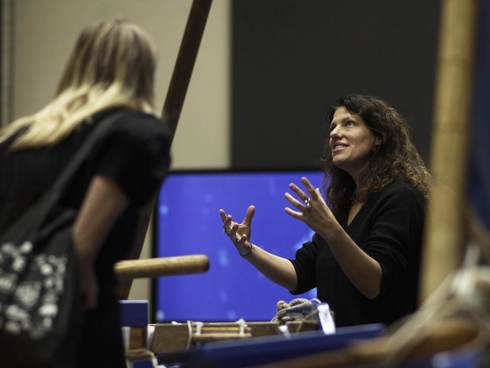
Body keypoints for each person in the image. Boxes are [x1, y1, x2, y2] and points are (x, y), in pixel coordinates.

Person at [0, 20, 170, 366]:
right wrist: (81, 275)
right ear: (143, 72)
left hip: (11, 318)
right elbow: (82, 245)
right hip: (73, 322)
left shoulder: (20, 138)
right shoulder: (138, 134)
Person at [220, 94, 430, 327]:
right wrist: (248, 251)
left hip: (386, 354)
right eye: (333, 127)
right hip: (340, 354)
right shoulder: (345, 207)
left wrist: (331, 230)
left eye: (348, 123)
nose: (334, 133)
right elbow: (299, 275)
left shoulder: (401, 198)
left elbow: (373, 284)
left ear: (378, 138)